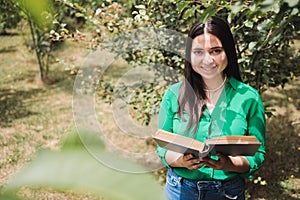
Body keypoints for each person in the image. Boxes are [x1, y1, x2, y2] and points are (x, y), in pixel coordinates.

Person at [156, 16, 266, 200]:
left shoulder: (249, 97)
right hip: (179, 190)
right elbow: (162, 147)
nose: (207, 60)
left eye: (215, 51)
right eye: (198, 52)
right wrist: (180, 161)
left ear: (228, 52)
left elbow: (258, 154)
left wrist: (229, 164)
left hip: (227, 192)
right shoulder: (173, 95)